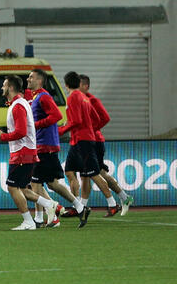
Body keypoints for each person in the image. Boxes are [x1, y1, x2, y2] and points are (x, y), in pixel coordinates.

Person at [26, 69, 89, 228]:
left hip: (45, 145)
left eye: (31, 77)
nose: (28, 79)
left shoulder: (44, 97)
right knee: (50, 183)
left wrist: (36, 125)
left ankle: (40, 219)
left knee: (35, 183)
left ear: (40, 81)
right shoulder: (37, 97)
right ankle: (79, 207)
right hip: (44, 145)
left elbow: (56, 116)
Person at [0, 75, 58, 230]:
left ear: (11, 88)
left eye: (4, 85)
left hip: (22, 153)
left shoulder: (18, 105)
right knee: (23, 188)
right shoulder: (20, 103)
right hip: (25, 152)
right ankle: (49, 205)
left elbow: (21, 131)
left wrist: (2, 137)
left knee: (12, 187)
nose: (2, 88)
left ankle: (29, 221)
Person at [59, 71, 116, 217]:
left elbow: (76, 121)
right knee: (69, 171)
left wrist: (61, 130)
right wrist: (90, 129)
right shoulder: (84, 98)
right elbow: (96, 119)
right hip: (81, 139)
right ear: (78, 83)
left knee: (93, 174)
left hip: (82, 140)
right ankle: (78, 206)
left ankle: (113, 204)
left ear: (65, 84)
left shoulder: (72, 97)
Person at [79, 74, 133, 215]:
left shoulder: (92, 100)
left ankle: (86, 207)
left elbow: (105, 118)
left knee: (91, 173)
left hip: (95, 142)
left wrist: (92, 130)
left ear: (86, 86)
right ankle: (124, 197)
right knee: (90, 173)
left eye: (78, 85)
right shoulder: (79, 100)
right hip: (88, 141)